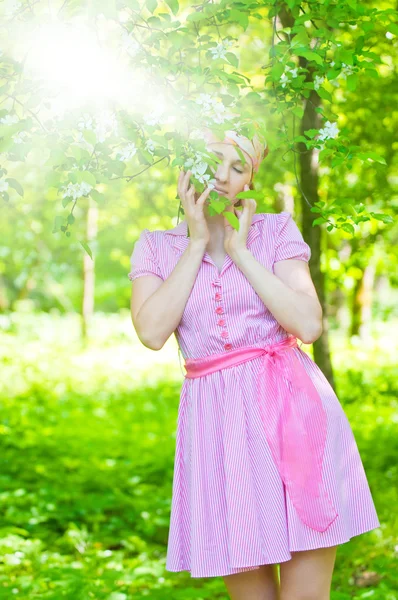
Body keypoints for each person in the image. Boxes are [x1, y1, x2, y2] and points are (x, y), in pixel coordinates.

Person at [128, 125, 381, 599]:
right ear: (184, 169)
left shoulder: (276, 232)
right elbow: (152, 332)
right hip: (218, 434)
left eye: (237, 166)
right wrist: (197, 241)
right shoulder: (156, 247)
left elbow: (307, 325)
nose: (222, 176)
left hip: (293, 414)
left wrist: (241, 252)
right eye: (210, 161)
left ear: (251, 180)